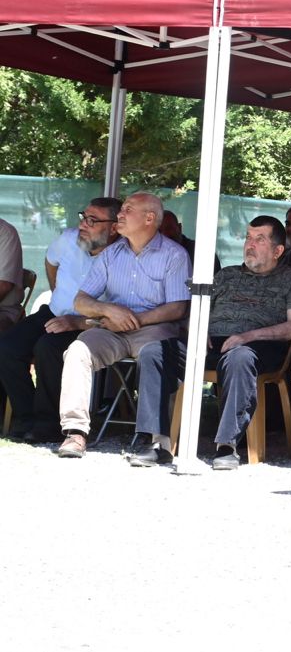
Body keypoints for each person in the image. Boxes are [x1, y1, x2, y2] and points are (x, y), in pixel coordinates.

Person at [142, 217, 291, 469]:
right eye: (248, 238)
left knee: (240, 357)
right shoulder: (226, 275)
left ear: (278, 251)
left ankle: (226, 446)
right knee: (154, 352)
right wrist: (198, 328)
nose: (249, 245)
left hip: (259, 346)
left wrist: (248, 336)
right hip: (209, 343)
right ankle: (159, 443)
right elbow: (192, 314)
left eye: (259, 239)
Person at [54, 192, 193, 463]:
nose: (120, 214)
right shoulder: (111, 254)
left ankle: (158, 443)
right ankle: (75, 432)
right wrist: (109, 310)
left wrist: (136, 319)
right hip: (112, 330)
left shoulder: (174, 255)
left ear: (149, 219)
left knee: (157, 354)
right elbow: (81, 301)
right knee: (77, 351)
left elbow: (178, 308)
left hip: (154, 329)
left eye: (128, 210)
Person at [1, 198, 118, 440]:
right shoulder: (68, 239)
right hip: (54, 311)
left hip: (90, 323)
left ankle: (48, 424)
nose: (83, 224)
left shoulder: (121, 257)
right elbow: (50, 261)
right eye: (83, 217)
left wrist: (79, 320)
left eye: (92, 220)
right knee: (7, 347)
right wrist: (57, 291)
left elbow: (117, 307)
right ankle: (25, 417)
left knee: (48, 348)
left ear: (114, 227)